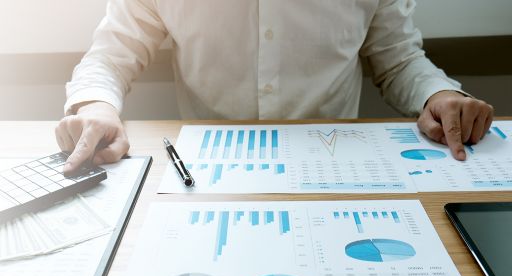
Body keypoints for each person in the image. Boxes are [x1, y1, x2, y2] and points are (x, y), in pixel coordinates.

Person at [56, 0, 494, 174]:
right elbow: (111, 56)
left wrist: (437, 94)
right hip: (206, 170)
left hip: (339, 168)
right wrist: (96, 105)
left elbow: (397, 58)